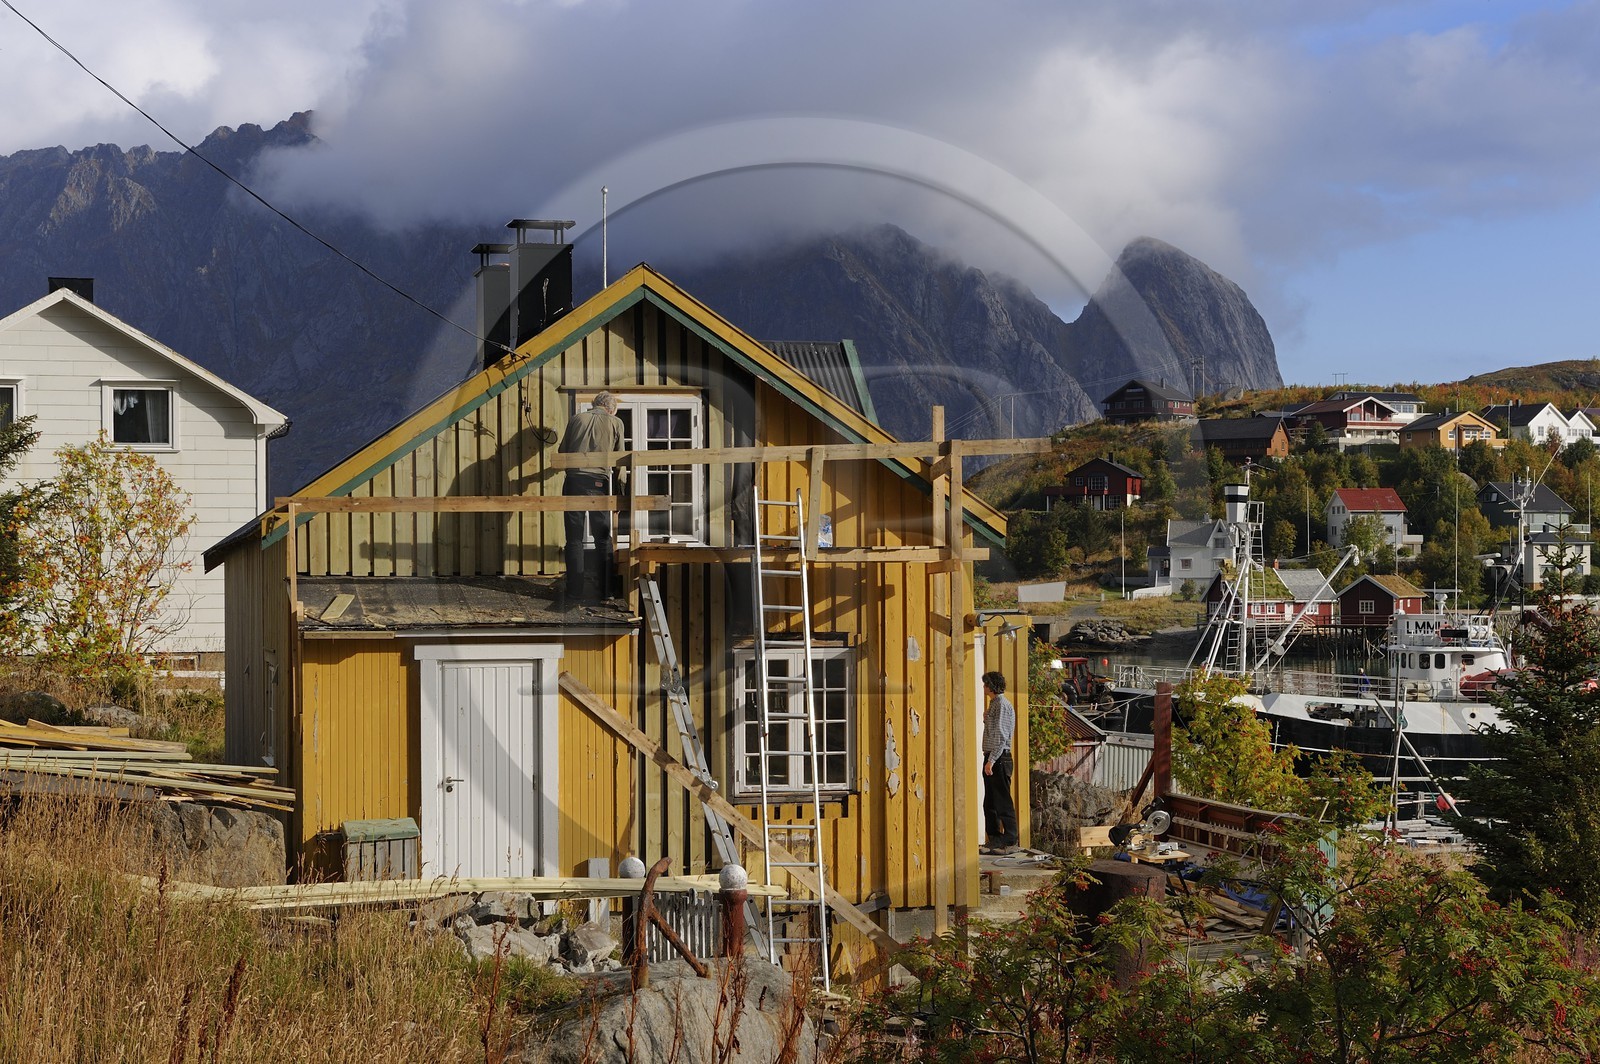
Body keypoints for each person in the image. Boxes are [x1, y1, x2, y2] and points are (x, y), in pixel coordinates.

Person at [558, 392, 625, 603]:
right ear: (611, 409)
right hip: (599, 481)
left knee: (574, 538)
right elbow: (620, 459)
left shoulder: (576, 419)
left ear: (593, 404)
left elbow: (562, 451)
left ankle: (574, 591)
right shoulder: (615, 422)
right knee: (603, 538)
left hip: (574, 480)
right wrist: (621, 494)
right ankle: (606, 591)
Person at [980, 670, 1019, 855]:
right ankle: (994, 838)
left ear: (992, 686)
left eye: (986, 684)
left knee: (1002, 800)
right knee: (990, 801)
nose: (984, 687)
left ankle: (1010, 839)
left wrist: (992, 760)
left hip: (999, 757)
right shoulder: (994, 704)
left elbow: (1002, 736)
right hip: (991, 756)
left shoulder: (1002, 704)